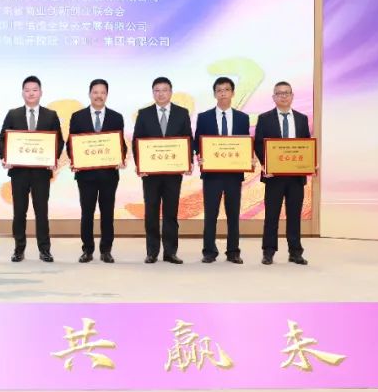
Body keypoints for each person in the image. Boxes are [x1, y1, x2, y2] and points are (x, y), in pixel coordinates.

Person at [0, 75, 64, 263]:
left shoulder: (50, 115)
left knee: (41, 212)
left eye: (34, 90)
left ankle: (45, 250)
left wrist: (53, 158)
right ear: (22, 93)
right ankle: (19, 249)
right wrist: (5, 157)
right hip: (19, 172)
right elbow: (2, 139)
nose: (31, 93)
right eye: (27, 90)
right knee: (19, 212)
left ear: (40, 92)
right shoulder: (13, 114)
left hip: (41, 172)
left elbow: (59, 140)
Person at [132, 76, 193, 264]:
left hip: (173, 173)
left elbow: (188, 139)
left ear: (171, 92)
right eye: (157, 90)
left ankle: (170, 252)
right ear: (153, 93)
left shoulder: (182, 113)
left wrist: (188, 162)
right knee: (151, 212)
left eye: (164, 90)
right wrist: (140, 165)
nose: (161, 94)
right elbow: (136, 141)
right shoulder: (144, 114)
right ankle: (152, 252)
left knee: (171, 213)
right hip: (150, 173)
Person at [67, 79, 126, 263]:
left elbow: (121, 144)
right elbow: (71, 143)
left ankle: (106, 250)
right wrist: (75, 159)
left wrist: (120, 158)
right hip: (85, 175)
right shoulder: (78, 117)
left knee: (107, 213)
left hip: (109, 175)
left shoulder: (116, 117)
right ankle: (87, 250)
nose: (99, 96)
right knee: (87, 213)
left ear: (106, 95)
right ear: (89, 94)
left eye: (102, 92)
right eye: (95, 92)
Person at [254, 81, 312, 266]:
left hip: (296, 177)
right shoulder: (264, 118)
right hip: (273, 177)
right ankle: (268, 252)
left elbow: (306, 145)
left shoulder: (302, 119)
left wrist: (310, 164)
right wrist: (266, 165)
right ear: (274, 97)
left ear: (292, 96)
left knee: (294, 215)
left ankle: (295, 252)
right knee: (271, 215)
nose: (283, 96)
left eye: (287, 93)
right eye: (279, 93)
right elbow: (258, 144)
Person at [194, 76, 250, 264]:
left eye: (226, 90)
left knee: (233, 215)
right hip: (212, 175)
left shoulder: (242, 118)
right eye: (219, 90)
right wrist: (199, 154)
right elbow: (197, 143)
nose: (223, 93)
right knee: (210, 214)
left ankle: (233, 251)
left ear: (233, 93)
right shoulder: (204, 117)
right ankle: (209, 251)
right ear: (214, 94)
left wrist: (248, 157)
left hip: (234, 174)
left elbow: (245, 144)